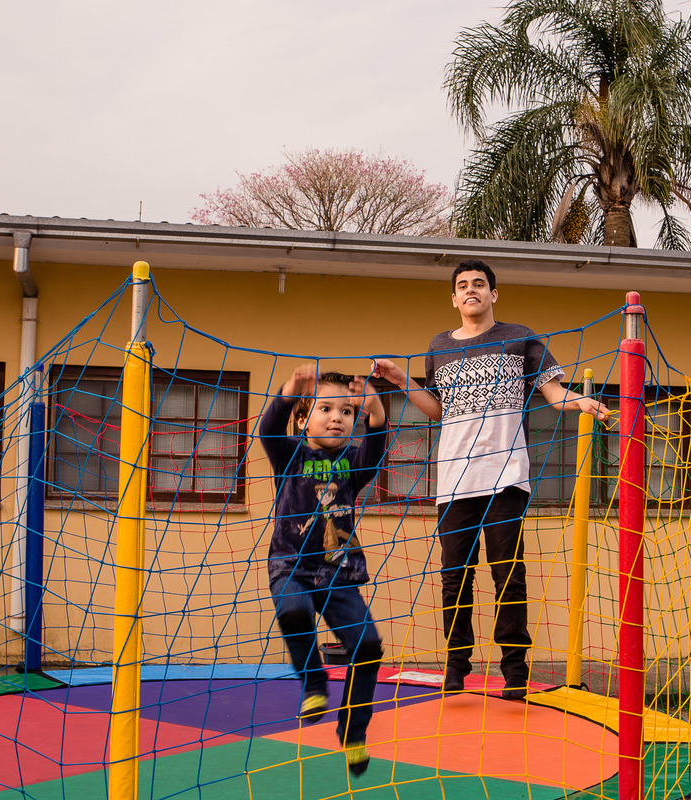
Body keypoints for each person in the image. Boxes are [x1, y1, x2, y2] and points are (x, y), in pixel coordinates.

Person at [373, 259, 609, 700]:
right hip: (454, 480)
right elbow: (439, 410)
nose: (470, 290)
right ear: (454, 297)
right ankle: (456, 668)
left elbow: (554, 394)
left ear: (493, 294)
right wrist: (402, 379)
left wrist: (584, 403)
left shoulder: (520, 338)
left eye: (479, 284)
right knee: (454, 577)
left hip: (506, 477)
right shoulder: (440, 346)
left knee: (508, 575)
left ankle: (515, 671)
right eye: (462, 285)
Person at [259, 365, 389, 776]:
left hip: (340, 571)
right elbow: (268, 429)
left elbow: (377, 446)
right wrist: (290, 390)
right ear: (303, 418)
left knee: (368, 647)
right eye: (325, 408)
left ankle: (353, 731)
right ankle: (314, 684)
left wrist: (376, 411)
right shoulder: (291, 455)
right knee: (294, 612)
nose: (337, 417)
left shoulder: (353, 462)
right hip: (291, 566)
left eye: (346, 412)